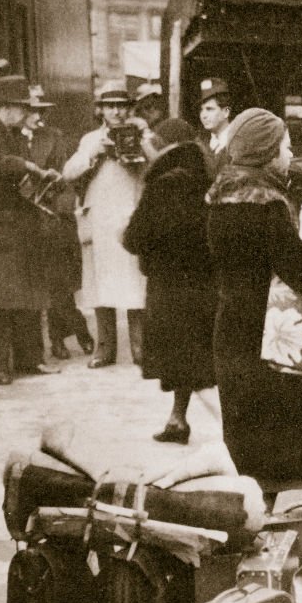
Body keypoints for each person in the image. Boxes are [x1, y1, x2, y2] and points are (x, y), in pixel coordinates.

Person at [206, 108, 302, 508]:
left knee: (246, 441)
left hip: (232, 328)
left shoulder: (219, 196)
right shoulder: (268, 205)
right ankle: (265, 524)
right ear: (267, 152)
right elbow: (301, 273)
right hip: (269, 337)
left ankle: (253, 519)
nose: (290, 155)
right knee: (273, 445)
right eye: (286, 147)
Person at [123, 119, 216, 445]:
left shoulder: (163, 184)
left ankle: (241, 436)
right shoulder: (207, 176)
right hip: (205, 284)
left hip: (171, 289)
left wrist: (125, 230)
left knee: (191, 366)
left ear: (164, 146)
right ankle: (177, 419)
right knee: (194, 362)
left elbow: (134, 239)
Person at [0, 74, 61, 384]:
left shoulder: (17, 136)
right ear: (5, 108)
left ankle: (30, 359)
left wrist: (43, 179)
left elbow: (21, 175)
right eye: (22, 107)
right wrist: (26, 166)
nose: (27, 114)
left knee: (29, 297)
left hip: (22, 228)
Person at [62, 81, 147, 368]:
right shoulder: (90, 139)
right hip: (100, 219)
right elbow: (68, 172)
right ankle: (105, 349)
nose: (117, 112)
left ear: (129, 109)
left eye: (121, 106)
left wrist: (141, 145)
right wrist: (93, 153)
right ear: (101, 110)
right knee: (100, 286)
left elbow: (155, 166)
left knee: (135, 285)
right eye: (110, 106)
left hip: (129, 217)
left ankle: (140, 348)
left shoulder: (142, 134)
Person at [21, 85, 93, 360]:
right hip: (25, 221)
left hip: (53, 220)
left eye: (38, 111)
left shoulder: (54, 137)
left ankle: (58, 340)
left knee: (56, 282)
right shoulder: (12, 140)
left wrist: (59, 208)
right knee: (44, 284)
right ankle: (78, 330)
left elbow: (67, 181)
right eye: (32, 110)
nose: (36, 116)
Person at [199, 78, 233, 175]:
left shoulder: (237, 143)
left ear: (226, 112)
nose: (203, 115)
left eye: (209, 109)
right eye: (201, 110)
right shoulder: (202, 143)